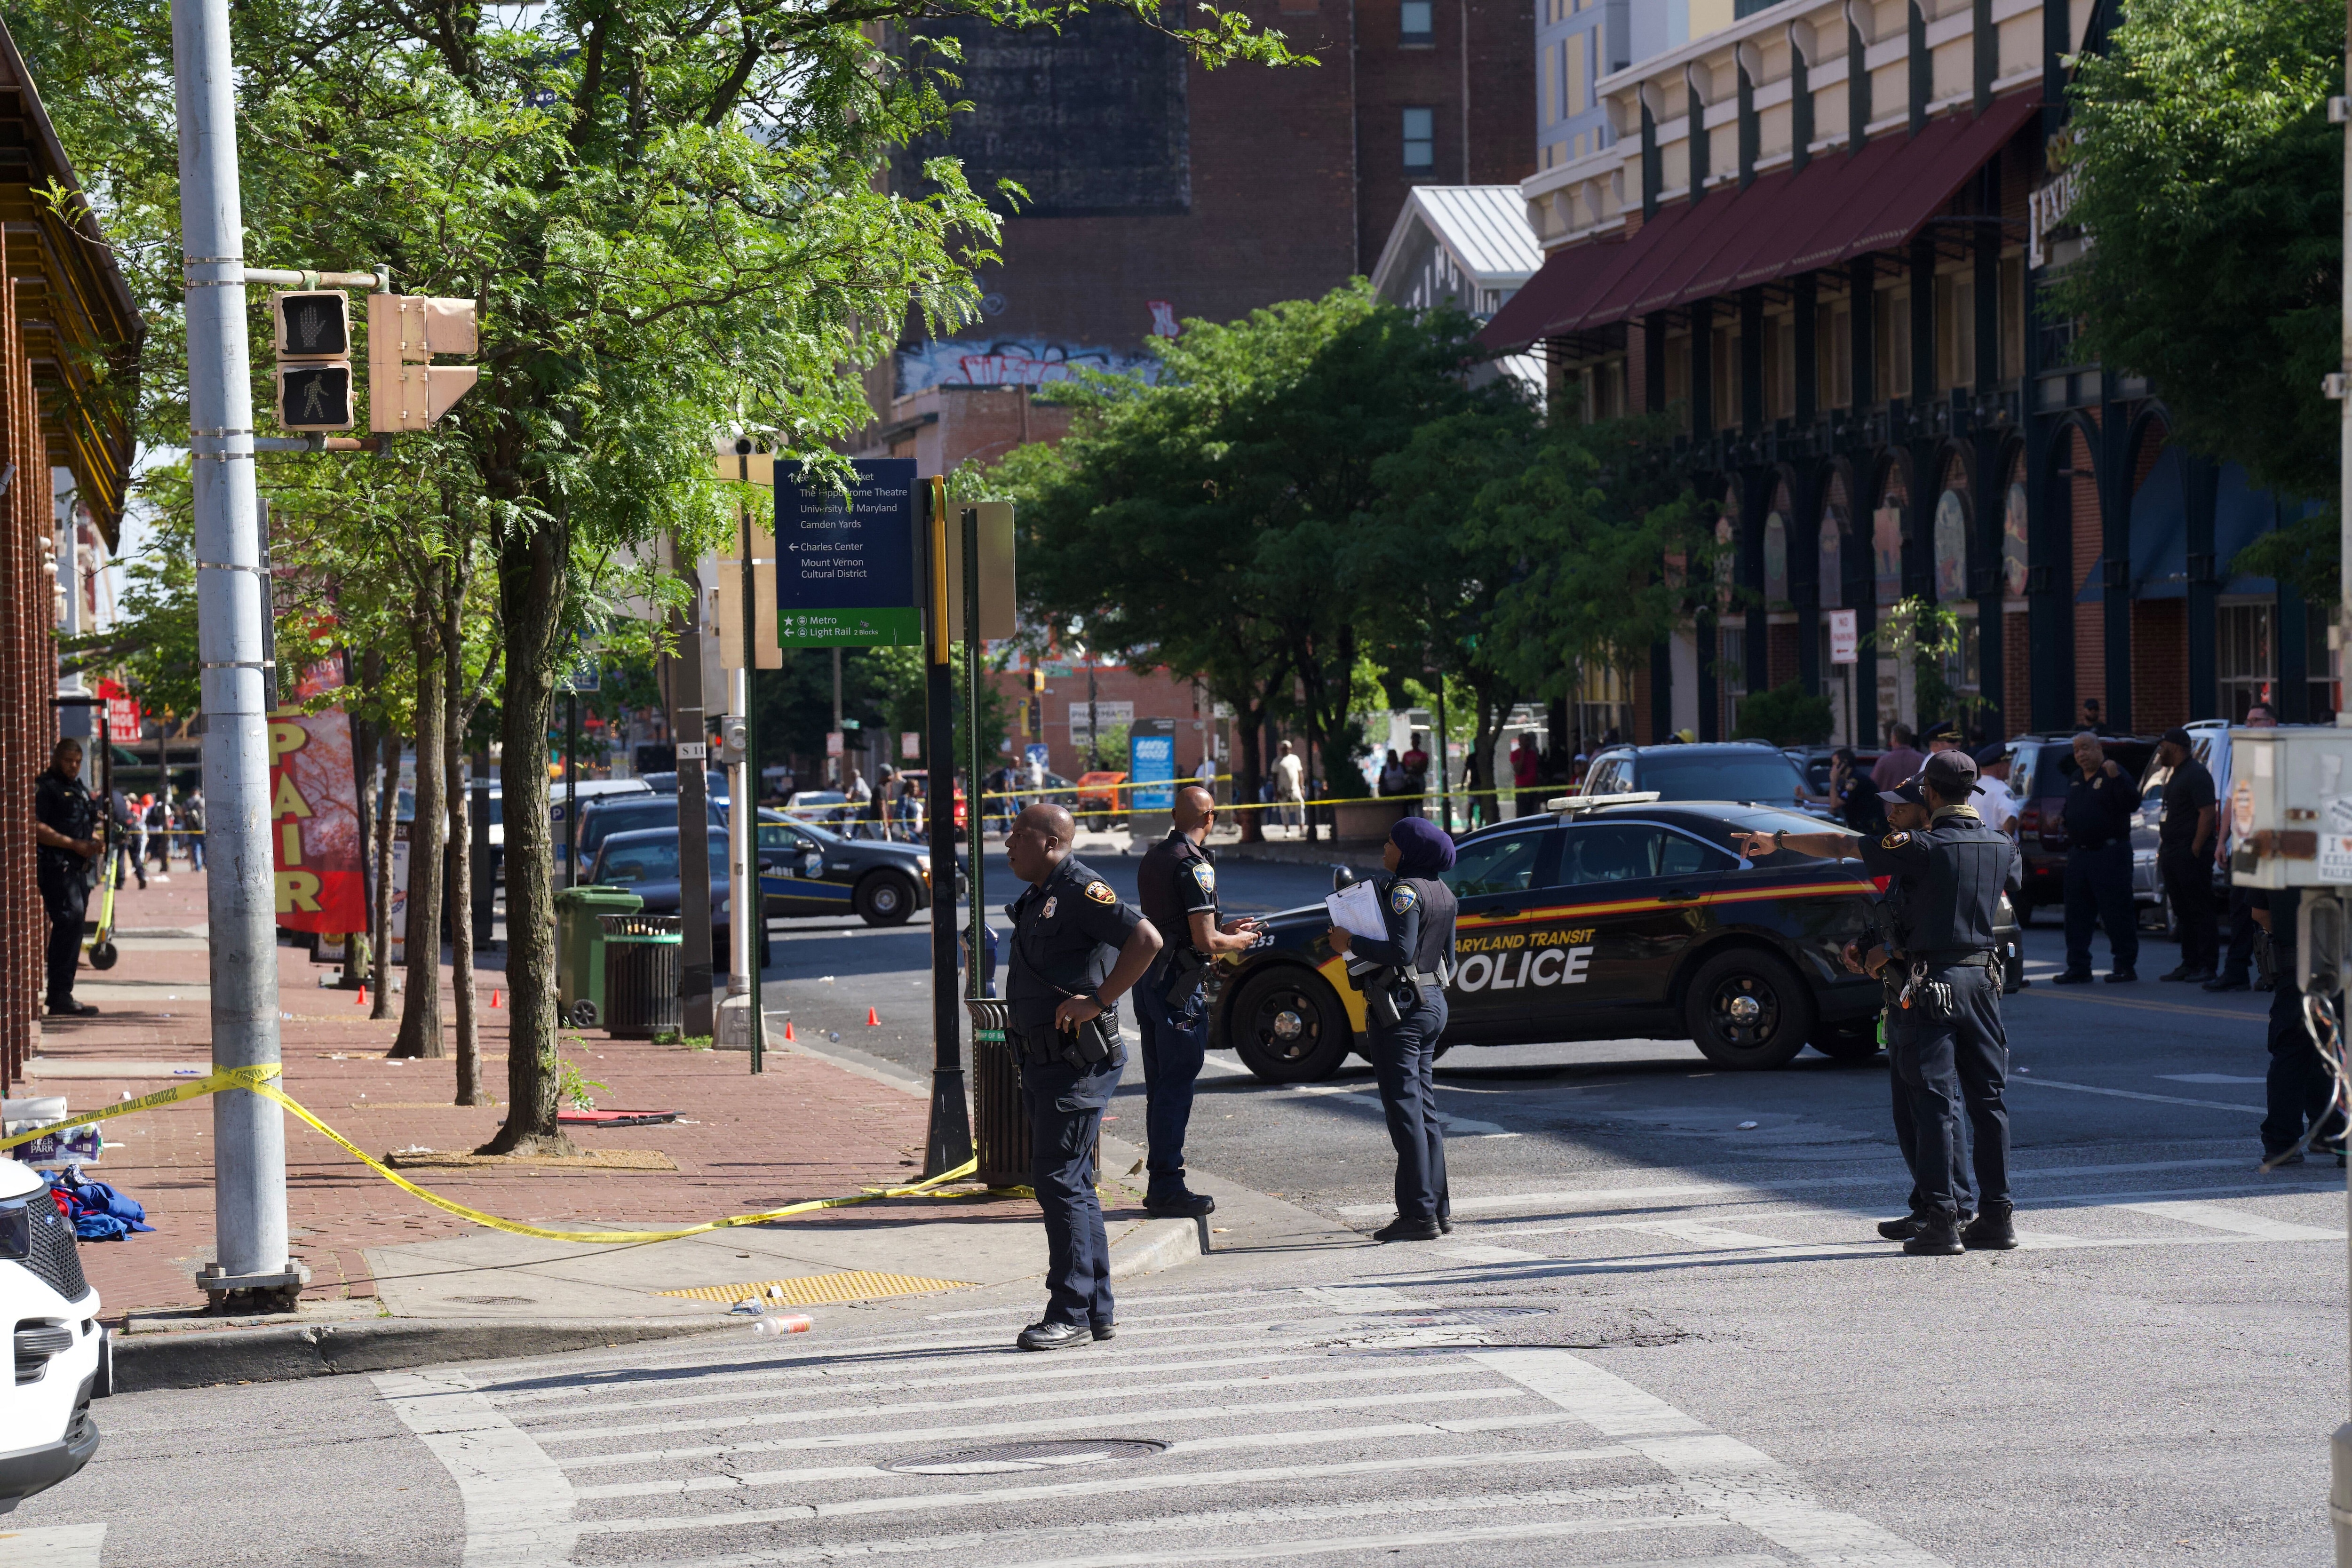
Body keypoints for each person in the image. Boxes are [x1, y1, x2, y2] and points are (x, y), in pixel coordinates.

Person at [1742, 749, 2018, 1253]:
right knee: (1987, 1101)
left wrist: (1777, 840)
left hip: (1928, 980)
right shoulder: (2000, 843)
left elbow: (1840, 843)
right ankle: (1997, 1216)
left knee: (1932, 1101)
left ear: (1929, 794)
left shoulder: (1919, 847)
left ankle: (1940, 1218)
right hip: (1983, 980)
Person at [1002, 802, 1162, 1350]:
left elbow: (1146, 939)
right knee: (1072, 1183)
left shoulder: (1080, 890)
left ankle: (1068, 1311)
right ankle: (1095, 1311)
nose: (1007, 843)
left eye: (1019, 834)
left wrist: (1098, 999)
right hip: (1046, 1060)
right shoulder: (1043, 894)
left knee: (1058, 1181)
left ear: (1051, 842)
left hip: (1075, 1064)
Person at [1132, 784, 1263, 1217]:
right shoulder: (1195, 865)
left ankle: (1160, 1180)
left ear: (1175, 815)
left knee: (1160, 1086)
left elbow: (1176, 920)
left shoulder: (1155, 857)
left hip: (1150, 981)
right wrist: (1238, 940)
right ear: (1210, 818)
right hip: (1179, 987)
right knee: (1175, 1087)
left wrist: (1227, 928)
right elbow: (1206, 940)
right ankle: (1168, 1185)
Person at [1327, 817, 1460, 1242]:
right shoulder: (1446, 893)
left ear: (1408, 851)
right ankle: (1439, 1210)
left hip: (1400, 1011)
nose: (1384, 849)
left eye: (1390, 842)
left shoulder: (1405, 891)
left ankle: (1418, 1215)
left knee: (1406, 1116)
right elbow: (1450, 961)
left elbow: (1400, 950)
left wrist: (1349, 942)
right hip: (1432, 1002)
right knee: (1425, 1112)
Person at [2250, 889, 2346, 1168]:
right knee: (2341, 1053)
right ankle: (2341, 1140)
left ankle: (2282, 1144)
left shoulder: (2273, 848)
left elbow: (2260, 913)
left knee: (2292, 1052)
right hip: (2343, 964)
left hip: (2296, 967)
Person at [2053, 730, 2141, 984]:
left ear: (2099, 749)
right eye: (2077, 750)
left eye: (2085, 748)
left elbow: (2132, 803)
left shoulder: (2114, 772)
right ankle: (2079, 967)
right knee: (2077, 915)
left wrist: (2118, 780)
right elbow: (2072, 807)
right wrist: (2064, 819)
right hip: (2080, 855)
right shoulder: (2076, 778)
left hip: (2110, 854)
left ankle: (2125, 966)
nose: (2080, 754)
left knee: (2117, 913)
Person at [2210, 702, 2279, 992]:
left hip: (2273, 844)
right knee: (2241, 908)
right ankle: (2236, 970)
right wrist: (2223, 840)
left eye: (2257, 721)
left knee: (2269, 909)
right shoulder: (2243, 756)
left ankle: (2272, 971)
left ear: (2272, 723)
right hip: (2245, 843)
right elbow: (2231, 800)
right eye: (2248, 722)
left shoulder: (2283, 753)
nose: (2250, 726)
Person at [34, 740, 103, 1017]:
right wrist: (73, 844)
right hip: (57, 867)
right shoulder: (46, 787)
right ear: (56, 759)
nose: (74, 766)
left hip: (78, 869)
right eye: (68, 761)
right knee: (69, 920)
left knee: (75, 926)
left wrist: (94, 839)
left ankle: (63, 992)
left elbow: (86, 821)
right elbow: (36, 826)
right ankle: (59, 994)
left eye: (78, 762)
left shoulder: (78, 788)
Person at [2153, 727, 2219, 985]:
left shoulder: (2197, 774)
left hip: (2190, 853)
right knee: (2182, 911)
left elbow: (2207, 813)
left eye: (2164, 745)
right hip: (2172, 852)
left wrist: (2195, 847)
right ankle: (2189, 962)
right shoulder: (2175, 774)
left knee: (2200, 909)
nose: (2160, 751)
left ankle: (2207, 965)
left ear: (2177, 747)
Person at [1971, 744, 2019, 838]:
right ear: (2000, 768)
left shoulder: (1971, 789)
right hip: (1996, 850)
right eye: (2007, 763)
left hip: (1972, 848)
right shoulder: (2002, 790)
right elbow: (2010, 816)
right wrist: (2007, 843)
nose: (2010, 767)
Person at [1870, 724, 1923, 792]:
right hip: (1916, 802)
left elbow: (1873, 785)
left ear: (1894, 738)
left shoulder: (1884, 761)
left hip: (1889, 801)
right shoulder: (1921, 759)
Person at [1273, 740, 1305, 834]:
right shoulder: (1277, 761)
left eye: (1287, 748)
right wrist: (1276, 791)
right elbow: (1274, 777)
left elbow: (1300, 774)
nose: (1285, 750)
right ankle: (1287, 830)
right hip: (1282, 790)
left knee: (1300, 808)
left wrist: (1302, 787)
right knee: (1284, 811)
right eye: (1284, 748)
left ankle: (1301, 829)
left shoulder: (1295, 759)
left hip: (1295, 789)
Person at [1510, 734, 1542, 817]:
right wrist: (1523, 754)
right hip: (1522, 788)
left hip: (1533, 787)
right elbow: (1518, 771)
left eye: (1528, 741)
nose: (1527, 743)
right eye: (1524, 741)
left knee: (1534, 813)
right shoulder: (1515, 754)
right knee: (1522, 813)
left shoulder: (1533, 754)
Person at [845, 768, 873, 841]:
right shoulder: (854, 783)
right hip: (862, 807)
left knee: (869, 824)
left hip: (866, 805)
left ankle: (871, 837)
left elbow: (857, 792)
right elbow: (852, 792)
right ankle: (854, 837)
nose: (851, 778)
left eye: (852, 776)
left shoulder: (859, 780)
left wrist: (851, 798)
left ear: (855, 775)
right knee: (859, 823)